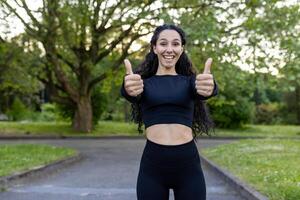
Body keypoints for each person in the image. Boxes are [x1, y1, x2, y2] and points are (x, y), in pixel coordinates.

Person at [120, 24, 218, 200]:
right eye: (163, 43)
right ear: (154, 48)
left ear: (182, 48)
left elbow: (204, 89)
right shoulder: (142, 84)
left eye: (175, 44)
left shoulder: (190, 83)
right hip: (153, 167)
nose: (169, 49)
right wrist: (127, 87)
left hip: (188, 167)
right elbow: (132, 93)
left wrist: (210, 86)